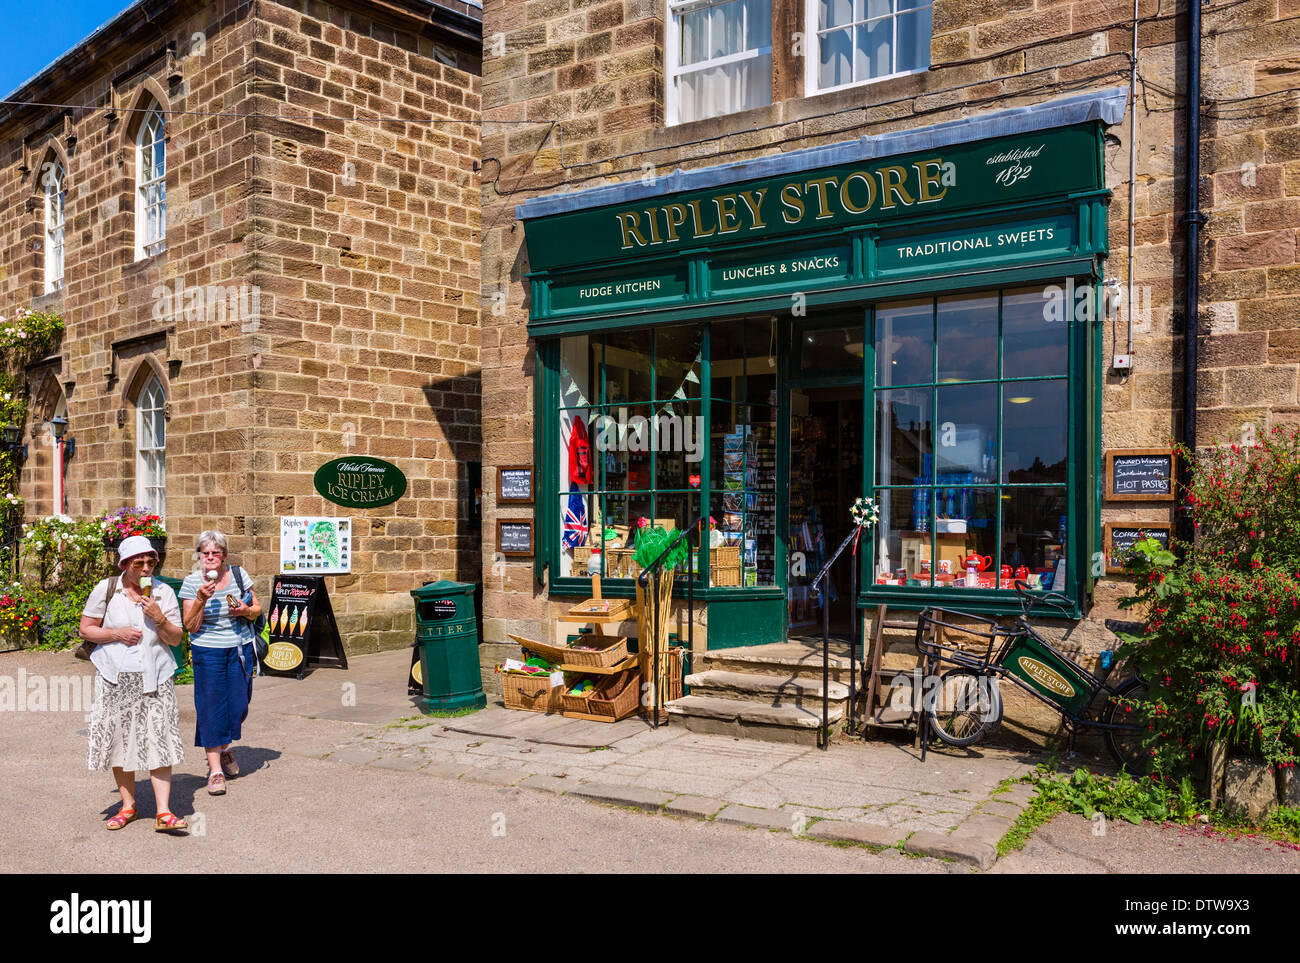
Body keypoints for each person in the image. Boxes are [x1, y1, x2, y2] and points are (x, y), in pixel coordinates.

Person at [80, 535, 188, 833]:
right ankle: (127, 806)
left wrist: (159, 617)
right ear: (124, 564)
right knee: (119, 740)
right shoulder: (108, 589)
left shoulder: (163, 592)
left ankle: (164, 812)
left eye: (150, 562)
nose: (146, 568)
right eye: (138, 563)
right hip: (114, 676)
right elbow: (86, 629)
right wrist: (117, 634)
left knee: (159, 739)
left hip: (155, 675)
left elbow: (175, 638)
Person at [179, 531, 262, 796]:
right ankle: (215, 769)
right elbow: (189, 626)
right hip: (208, 652)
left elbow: (258, 608)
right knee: (211, 707)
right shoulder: (192, 583)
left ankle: (225, 747)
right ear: (200, 556)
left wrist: (245, 611)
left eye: (216, 553)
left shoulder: (238, 576)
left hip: (240, 649)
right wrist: (202, 599)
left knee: (239, 705)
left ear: (224, 556)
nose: (211, 558)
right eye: (206, 554)